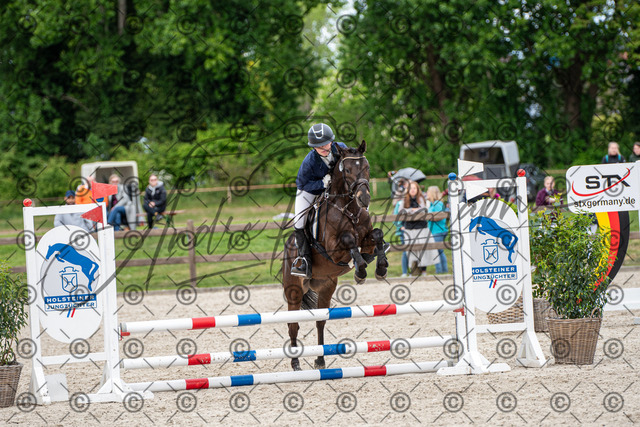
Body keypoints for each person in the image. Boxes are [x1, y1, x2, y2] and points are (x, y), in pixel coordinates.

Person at [291, 123, 348, 278]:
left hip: (336, 190)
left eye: (326, 143)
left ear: (332, 141)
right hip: (310, 190)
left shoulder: (341, 148)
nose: (323, 147)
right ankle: (304, 259)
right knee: (299, 221)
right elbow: (302, 184)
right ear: (313, 147)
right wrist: (322, 183)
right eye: (318, 146)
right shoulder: (309, 161)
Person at [400, 180, 438, 276]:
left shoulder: (421, 199)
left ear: (417, 189)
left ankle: (423, 271)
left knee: (423, 250)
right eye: (410, 188)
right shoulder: (404, 200)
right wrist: (412, 210)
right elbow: (401, 211)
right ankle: (412, 271)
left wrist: (412, 211)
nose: (412, 190)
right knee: (411, 251)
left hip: (422, 228)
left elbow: (424, 210)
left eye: (414, 188)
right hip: (409, 229)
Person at [426, 186, 448, 274]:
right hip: (435, 230)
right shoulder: (433, 204)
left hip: (438, 231)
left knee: (438, 252)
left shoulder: (437, 204)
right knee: (438, 251)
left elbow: (439, 216)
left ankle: (440, 271)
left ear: (432, 193)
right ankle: (442, 270)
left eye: (428, 191)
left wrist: (429, 217)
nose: (427, 193)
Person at [392, 178, 409, 277]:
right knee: (405, 251)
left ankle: (413, 271)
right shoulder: (399, 194)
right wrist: (401, 227)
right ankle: (405, 271)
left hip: (412, 228)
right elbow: (395, 217)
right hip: (403, 229)